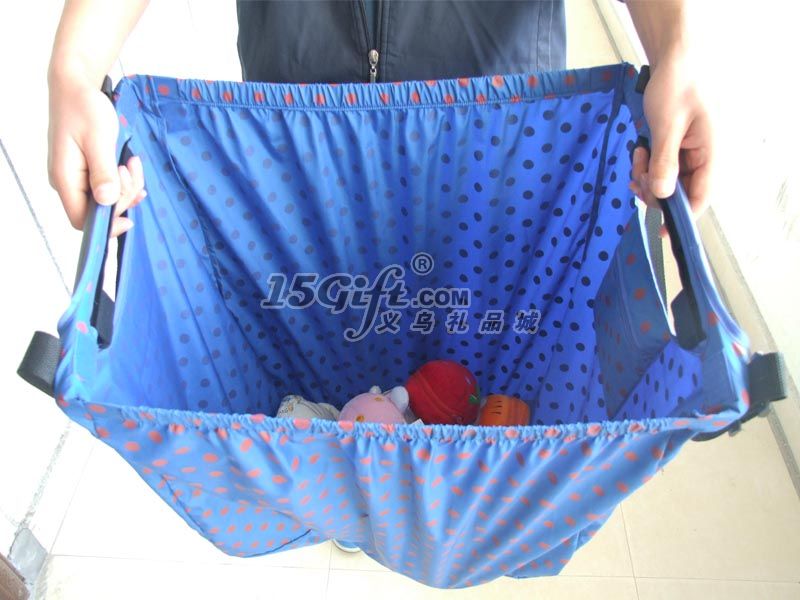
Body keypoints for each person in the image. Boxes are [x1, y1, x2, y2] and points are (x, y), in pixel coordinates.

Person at [47, 0, 712, 239]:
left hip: (499, 145)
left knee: (491, 370)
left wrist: (676, 48)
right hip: (301, 143)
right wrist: (74, 68)